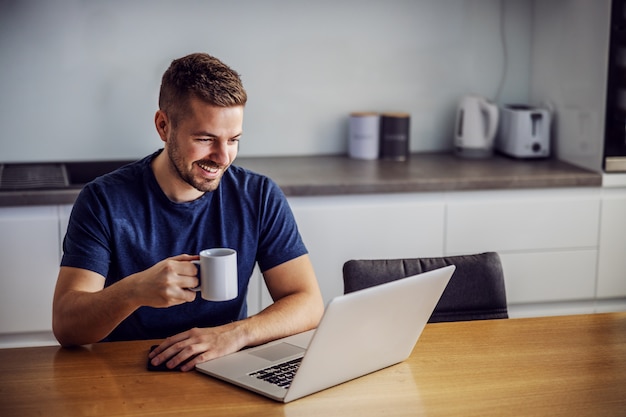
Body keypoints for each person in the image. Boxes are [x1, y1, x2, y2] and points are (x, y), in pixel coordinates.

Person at [52, 52, 324, 372]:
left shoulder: (258, 195)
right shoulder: (103, 200)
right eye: (206, 139)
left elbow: (308, 303)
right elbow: (67, 326)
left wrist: (235, 334)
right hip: (126, 372)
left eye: (233, 140)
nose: (223, 157)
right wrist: (134, 291)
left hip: (224, 367)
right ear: (163, 126)